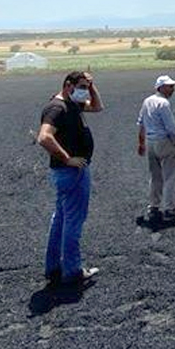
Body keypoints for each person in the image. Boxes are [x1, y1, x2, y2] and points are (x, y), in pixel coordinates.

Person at [36, 71, 104, 286]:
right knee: (73, 221)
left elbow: (98, 107)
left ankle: (54, 267)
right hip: (71, 173)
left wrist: (91, 86)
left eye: (86, 87)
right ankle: (73, 271)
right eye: (81, 86)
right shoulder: (57, 108)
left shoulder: (72, 104)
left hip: (68, 173)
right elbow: (44, 137)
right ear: (68, 85)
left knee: (61, 219)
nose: (85, 91)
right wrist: (67, 159)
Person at [137, 75, 175, 224]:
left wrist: (141, 143)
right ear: (160, 87)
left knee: (155, 177)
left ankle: (154, 207)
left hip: (150, 142)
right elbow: (172, 129)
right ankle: (169, 210)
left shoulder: (147, 101)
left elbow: (141, 123)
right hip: (164, 142)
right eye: (169, 86)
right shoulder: (164, 103)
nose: (172, 89)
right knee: (170, 177)